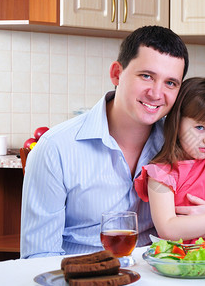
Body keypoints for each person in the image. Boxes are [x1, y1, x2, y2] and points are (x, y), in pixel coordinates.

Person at [20, 26, 189, 258]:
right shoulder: (55, 149)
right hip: (82, 278)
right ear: (117, 74)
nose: (157, 93)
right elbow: (38, 258)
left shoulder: (182, 146)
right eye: (147, 76)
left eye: (170, 83)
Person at [134, 77, 205, 242]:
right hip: (180, 260)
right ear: (177, 122)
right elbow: (167, 228)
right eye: (200, 128)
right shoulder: (161, 174)